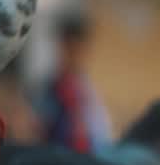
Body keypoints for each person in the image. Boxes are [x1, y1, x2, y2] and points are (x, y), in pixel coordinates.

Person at [36, 12, 112, 153]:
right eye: (67, 48)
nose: (71, 55)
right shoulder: (49, 88)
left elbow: (100, 137)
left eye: (76, 49)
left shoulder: (87, 92)